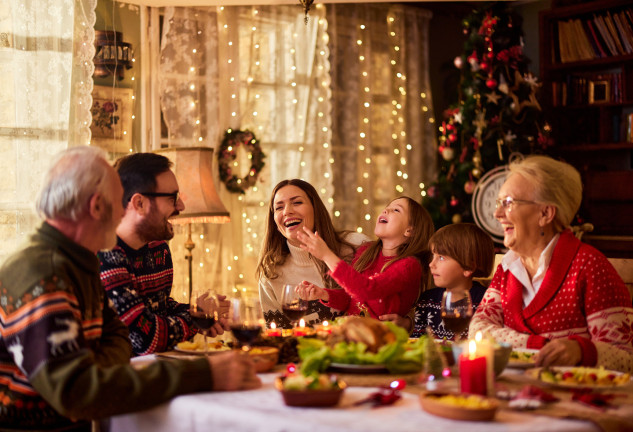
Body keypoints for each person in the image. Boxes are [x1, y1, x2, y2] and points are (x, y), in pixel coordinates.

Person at [0, 147, 259, 431]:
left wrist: (96, 365)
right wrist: (202, 374)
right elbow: (78, 393)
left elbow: (120, 337)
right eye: (118, 203)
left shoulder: (76, 261)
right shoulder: (44, 273)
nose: (123, 215)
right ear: (98, 206)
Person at [469, 155, 633, 372]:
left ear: (545, 213)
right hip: (514, 393)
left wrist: (580, 351)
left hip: (574, 400)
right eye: (499, 203)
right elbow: (478, 330)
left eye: (508, 203)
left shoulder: (590, 266)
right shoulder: (507, 269)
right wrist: (535, 345)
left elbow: (625, 357)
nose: (497, 214)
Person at [98, 153, 227, 355]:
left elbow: (160, 309)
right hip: (119, 378)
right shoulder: (105, 255)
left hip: (154, 371)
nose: (181, 207)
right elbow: (145, 339)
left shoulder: (158, 248)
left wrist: (201, 312)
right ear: (139, 203)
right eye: (172, 198)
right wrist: (197, 315)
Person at [296, 196, 433, 320]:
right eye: (387, 207)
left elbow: (367, 290)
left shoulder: (409, 266)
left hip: (381, 339)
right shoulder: (366, 252)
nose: (386, 210)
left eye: (396, 210)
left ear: (410, 230)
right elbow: (351, 298)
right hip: (352, 332)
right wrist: (322, 294)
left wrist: (326, 255)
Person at [257, 179, 369, 329]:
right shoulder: (271, 272)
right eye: (279, 207)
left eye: (297, 202)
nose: (287, 211)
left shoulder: (357, 245)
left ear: (316, 209)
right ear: (275, 223)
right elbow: (277, 334)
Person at [411, 223, 494, 340]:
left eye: (441, 257)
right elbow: (417, 342)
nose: (431, 264)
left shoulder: (486, 302)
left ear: (468, 267)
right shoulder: (427, 300)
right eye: (433, 256)